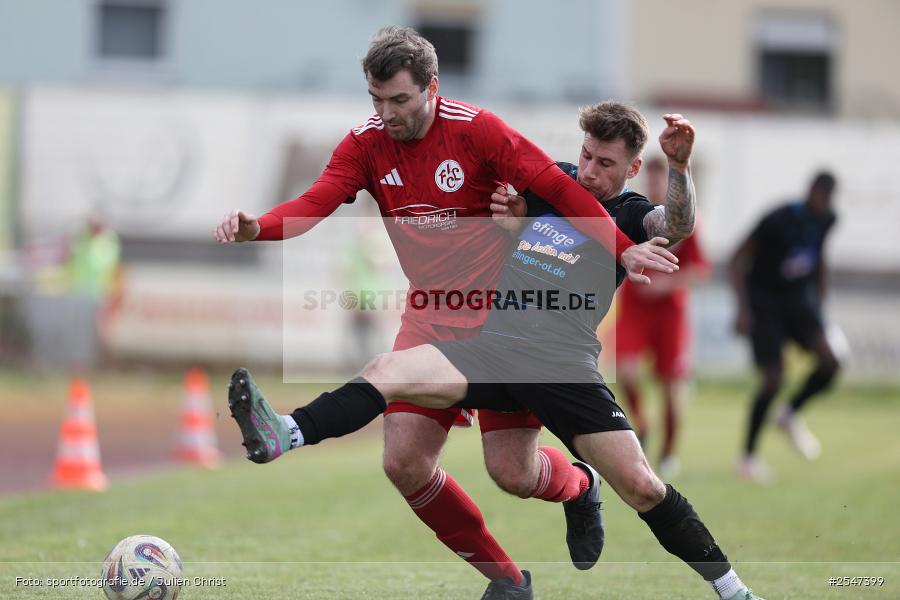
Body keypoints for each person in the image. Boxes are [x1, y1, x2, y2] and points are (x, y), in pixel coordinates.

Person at [227, 101, 764, 600]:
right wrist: (509, 217)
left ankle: (732, 589)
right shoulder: (550, 184)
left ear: (630, 169)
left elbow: (677, 225)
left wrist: (680, 168)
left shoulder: (631, 213)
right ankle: (286, 432)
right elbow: (487, 205)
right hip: (490, 347)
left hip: (562, 368)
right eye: (585, 156)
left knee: (636, 486)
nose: (590, 171)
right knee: (386, 370)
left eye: (605, 163)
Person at [729, 171, 840, 482]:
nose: (821, 203)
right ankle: (748, 459)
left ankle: (789, 414)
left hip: (798, 302)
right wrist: (742, 308)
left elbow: (818, 257)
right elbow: (738, 258)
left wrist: (820, 304)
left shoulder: (828, 219)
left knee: (831, 362)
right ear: (810, 192)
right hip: (764, 302)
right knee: (773, 380)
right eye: (818, 196)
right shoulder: (778, 219)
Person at [613, 155, 711, 478]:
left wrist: (668, 283)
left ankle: (668, 452)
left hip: (670, 313)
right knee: (625, 371)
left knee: (671, 390)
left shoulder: (686, 222)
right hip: (636, 308)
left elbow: (700, 270)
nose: (656, 185)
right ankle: (640, 423)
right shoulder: (636, 213)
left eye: (663, 180)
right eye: (652, 179)